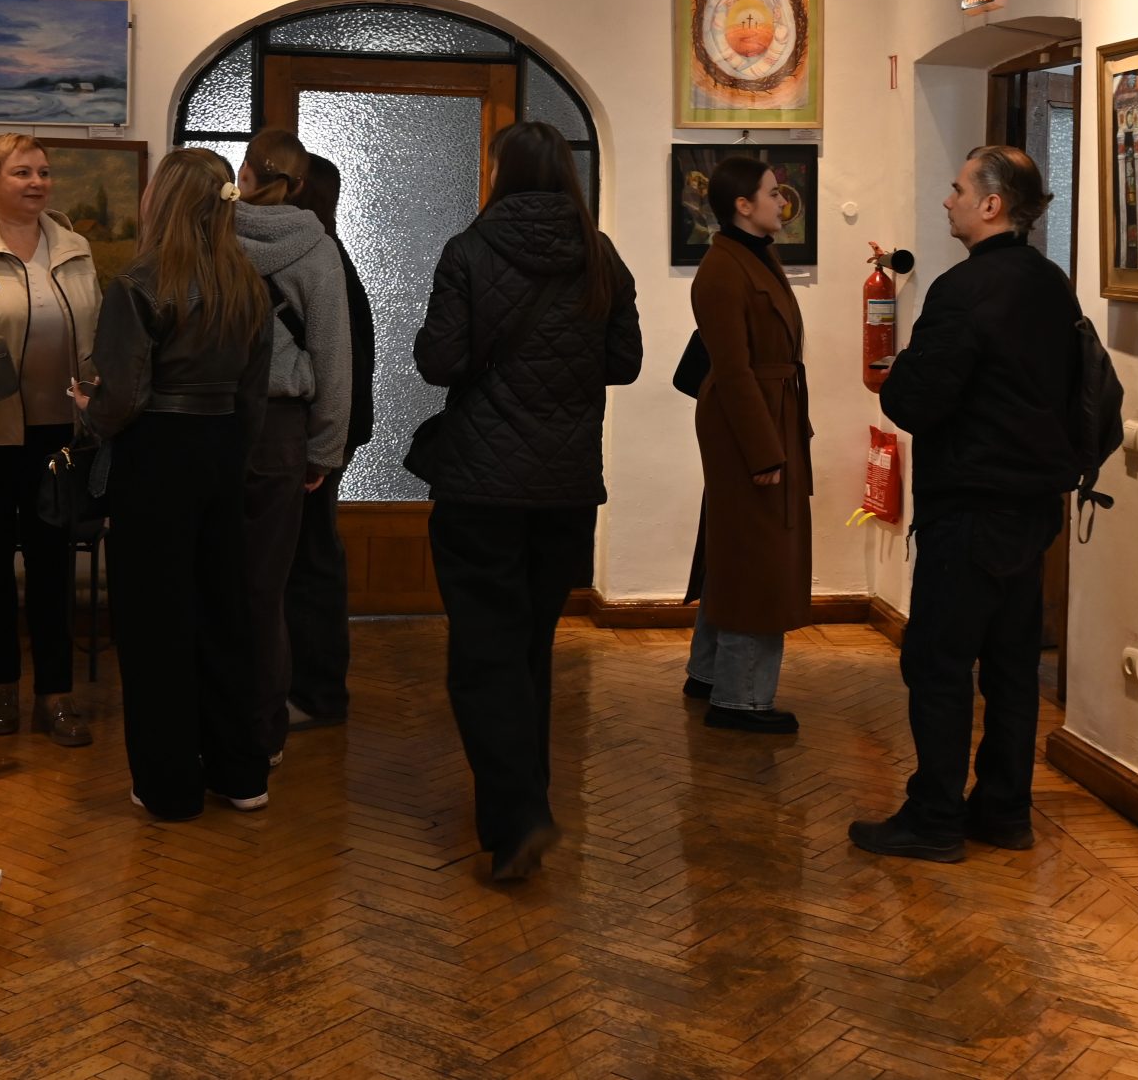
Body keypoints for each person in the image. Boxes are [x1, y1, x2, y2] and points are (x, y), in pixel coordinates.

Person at [413, 121, 642, 883]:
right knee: (529, 648)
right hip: (566, 487)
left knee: (484, 655)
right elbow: (625, 361)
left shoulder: (469, 250)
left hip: (480, 484)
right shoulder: (600, 255)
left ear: (501, 171)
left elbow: (440, 359)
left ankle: (518, 819)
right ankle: (526, 803)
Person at [850, 145, 1083, 864]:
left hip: (970, 507)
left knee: (939, 663)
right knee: (1012, 665)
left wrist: (894, 376)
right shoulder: (1052, 283)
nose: (947, 200)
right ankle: (1006, 810)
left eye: (958, 189)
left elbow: (916, 399)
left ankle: (934, 817)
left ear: (991, 204)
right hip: (1034, 507)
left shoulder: (963, 289)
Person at [76, 150, 274, 818]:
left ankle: (168, 785)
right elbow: (253, 396)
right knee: (226, 615)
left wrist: (89, 409)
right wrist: (235, 456)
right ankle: (241, 774)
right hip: (223, 448)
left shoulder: (138, 281)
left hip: (156, 456)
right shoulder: (247, 282)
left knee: (155, 622)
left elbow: (124, 396)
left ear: (164, 198)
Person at [0, 134, 102, 747]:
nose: (37, 182)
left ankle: (56, 695)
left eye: (43, 171)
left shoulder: (73, 246)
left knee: (51, 565)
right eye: (22, 173)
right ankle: (1, 687)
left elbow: (95, 327)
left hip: (59, 433)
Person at [232, 130, 354, 767]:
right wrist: (325, 450)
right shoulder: (317, 247)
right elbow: (334, 357)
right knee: (271, 585)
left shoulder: (211, 235)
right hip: (282, 428)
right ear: (298, 183)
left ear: (244, 175)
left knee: (220, 577)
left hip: (212, 422)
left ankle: (220, 713)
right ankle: (265, 727)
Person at [684, 155, 813, 734]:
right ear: (743, 205)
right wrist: (764, 451)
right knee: (758, 558)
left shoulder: (753, 255)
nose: (782, 201)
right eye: (771, 192)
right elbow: (734, 372)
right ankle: (741, 699)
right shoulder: (722, 269)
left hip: (767, 416)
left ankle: (709, 673)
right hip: (749, 425)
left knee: (737, 547)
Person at [284, 154, 375, 732]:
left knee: (311, 561)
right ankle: (311, 688)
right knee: (311, 557)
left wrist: (323, 445)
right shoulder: (328, 255)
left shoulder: (319, 260)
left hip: (315, 434)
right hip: (328, 431)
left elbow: (341, 364)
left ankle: (317, 693)